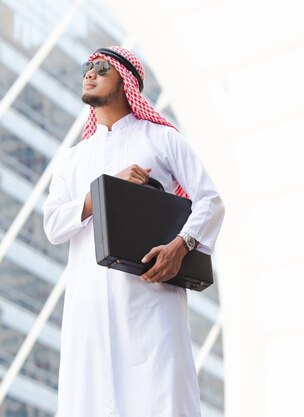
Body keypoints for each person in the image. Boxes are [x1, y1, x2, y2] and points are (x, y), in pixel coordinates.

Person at [43, 46, 225, 417]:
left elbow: (210, 200)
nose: (89, 73)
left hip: (151, 304)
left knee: (160, 401)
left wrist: (181, 245)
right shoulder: (73, 158)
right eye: (86, 67)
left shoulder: (161, 139)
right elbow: (53, 225)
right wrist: (105, 190)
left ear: (127, 84)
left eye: (101, 68)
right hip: (88, 313)